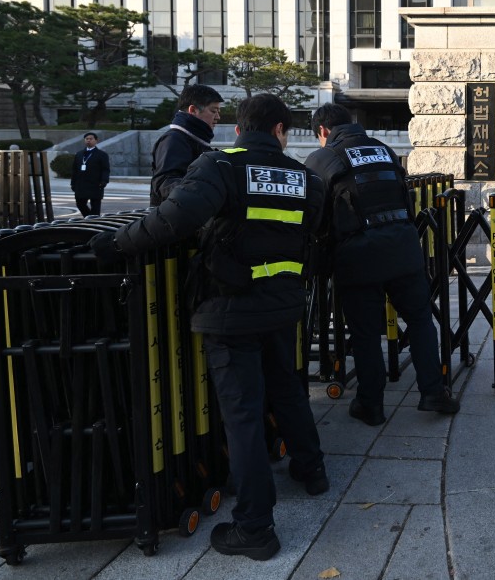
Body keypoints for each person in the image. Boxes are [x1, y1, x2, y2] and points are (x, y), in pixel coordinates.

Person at [89, 94, 327, 560]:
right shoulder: (306, 178)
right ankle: (311, 469)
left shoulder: (221, 165)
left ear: (239, 129)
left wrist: (115, 243)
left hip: (230, 309)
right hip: (282, 305)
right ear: (281, 130)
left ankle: (255, 528)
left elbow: (173, 218)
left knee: (241, 415)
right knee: (288, 390)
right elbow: (310, 235)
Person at [305, 103, 459, 426]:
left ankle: (370, 404)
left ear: (323, 131)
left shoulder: (324, 158)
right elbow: (407, 199)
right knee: (420, 321)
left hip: (358, 256)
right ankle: (433, 392)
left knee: (365, 332)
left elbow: (314, 211)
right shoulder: (384, 150)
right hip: (403, 249)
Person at [150, 83, 224, 206]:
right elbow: (164, 184)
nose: (218, 117)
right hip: (173, 219)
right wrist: (206, 189)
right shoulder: (174, 139)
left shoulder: (197, 140)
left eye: (218, 111)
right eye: (213, 111)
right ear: (193, 110)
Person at [70, 132, 110, 216]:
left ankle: (94, 222)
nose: (88, 141)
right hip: (81, 184)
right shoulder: (79, 154)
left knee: (95, 206)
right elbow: (74, 170)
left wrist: (104, 181)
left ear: (96, 141)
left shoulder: (102, 155)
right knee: (80, 204)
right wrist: (73, 183)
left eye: (91, 139)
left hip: (95, 184)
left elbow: (105, 169)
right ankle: (89, 219)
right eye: (87, 139)